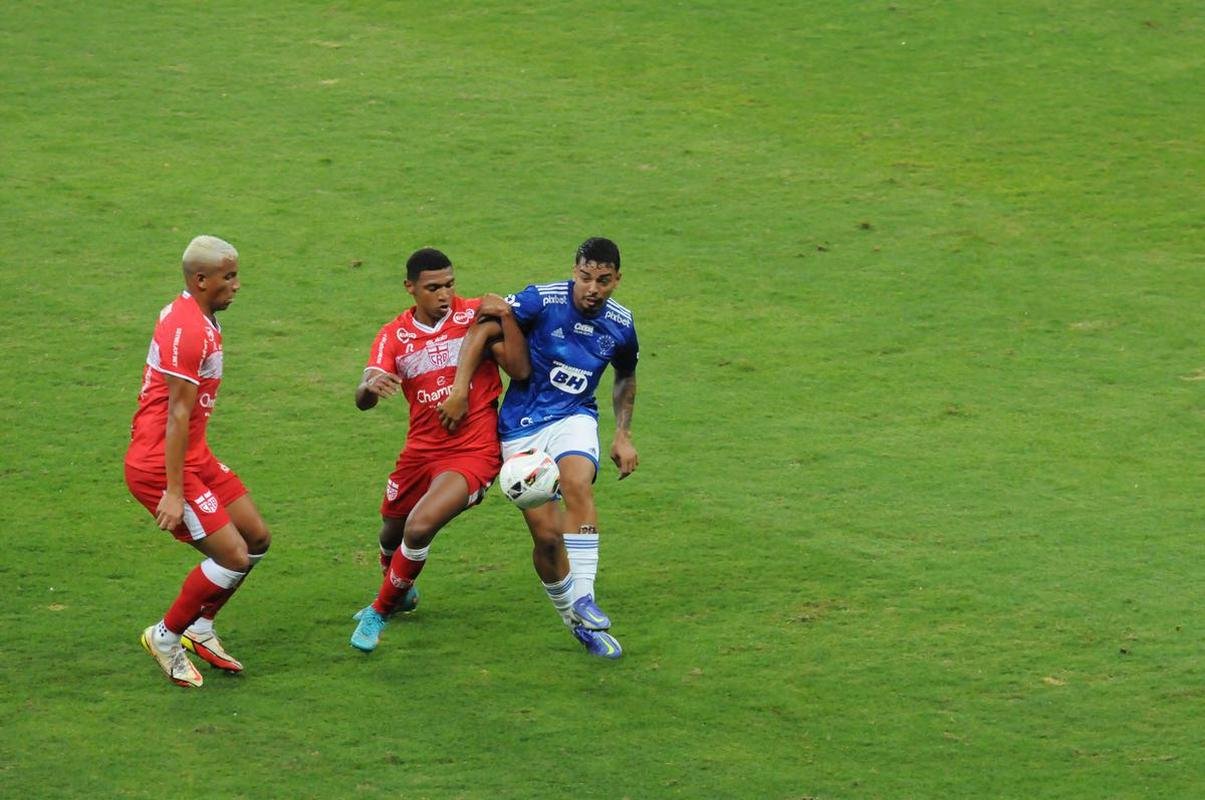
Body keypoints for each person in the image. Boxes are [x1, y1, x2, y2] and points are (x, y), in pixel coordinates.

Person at [439, 236, 638, 659]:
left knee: (577, 482)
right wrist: (459, 390)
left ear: (617, 280)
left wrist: (623, 433)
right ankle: (576, 623)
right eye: (586, 277)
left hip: (574, 417)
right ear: (574, 272)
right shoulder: (542, 300)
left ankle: (584, 595)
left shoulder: (621, 324)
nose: (593, 289)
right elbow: (483, 325)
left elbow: (625, 375)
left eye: (604, 280)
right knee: (548, 540)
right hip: (522, 428)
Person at [348, 247, 531, 653]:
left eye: (449, 285)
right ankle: (401, 591)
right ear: (410, 288)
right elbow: (364, 395)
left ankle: (379, 612)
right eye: (433, 288)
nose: (445, 294)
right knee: (391, 529)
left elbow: (520, 368)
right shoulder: (394, 335)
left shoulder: (474, 314)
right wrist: (369, 387)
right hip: (420, 451)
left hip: (473, 451)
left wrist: (505, 317)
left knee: (418, 526)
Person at [125, 235, 271, 688]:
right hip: (161, 462)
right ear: (201, 279)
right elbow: (177, 414)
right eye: (230, 276)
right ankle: (166, 637)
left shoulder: (197, 316)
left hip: (193, 454)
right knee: (233, 556)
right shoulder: (189, 329)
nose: (237, 285)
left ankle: (200, 626)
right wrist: (173, 492)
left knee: (256, 538)